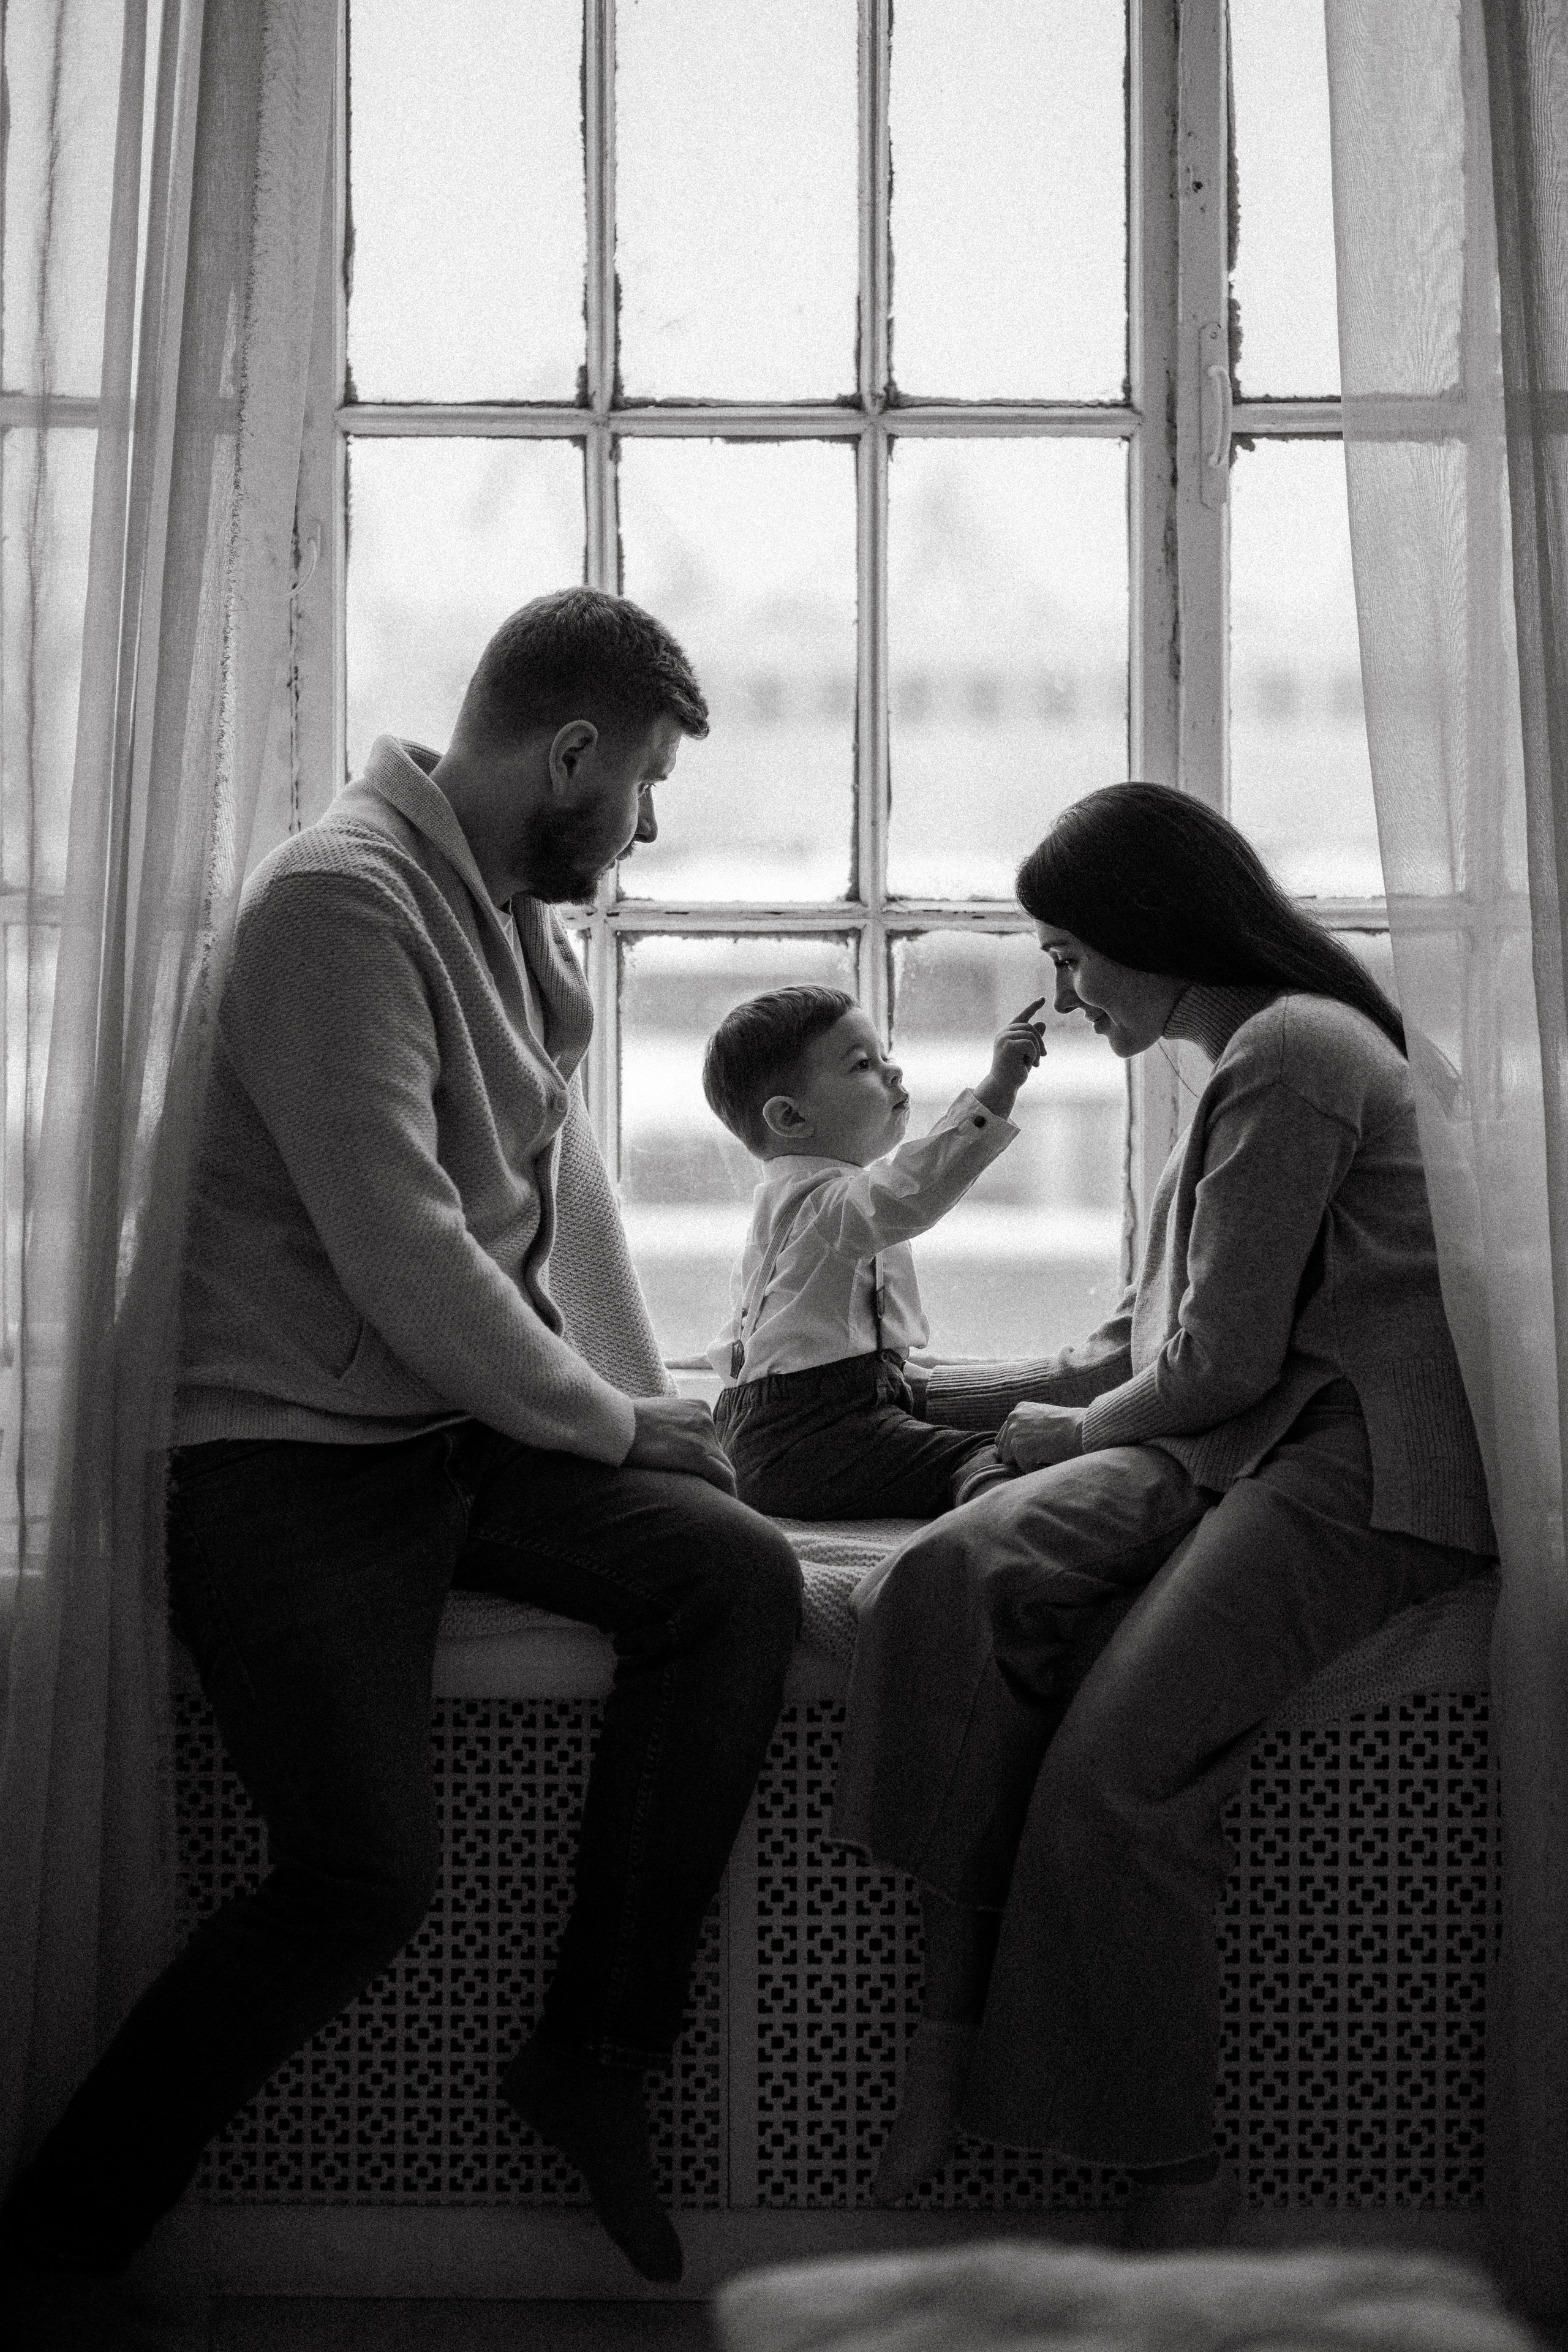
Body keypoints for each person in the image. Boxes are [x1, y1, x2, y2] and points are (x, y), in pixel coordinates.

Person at [0, 589, 804, 2293]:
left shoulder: (497, 909)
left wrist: (645, 1413)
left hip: (436, 1429)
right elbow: (407, 1246)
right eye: (645, 784)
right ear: (570, 750)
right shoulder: (337, 903)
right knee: (357, 1879)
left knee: (734, 1577)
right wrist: (609, 1426)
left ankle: (592, 2052)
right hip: (272, 1459)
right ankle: (52, 2249)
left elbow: (546, 1214)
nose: (646, 829)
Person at [829, 783, 1496, 2246]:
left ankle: (1175, 2175)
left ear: (1149, 927)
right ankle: (947, 2028)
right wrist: (924, 1392)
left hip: (1358, 1465)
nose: (1061, 997)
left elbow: (1212, 1364)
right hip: (1257, 1441)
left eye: (1071, 955)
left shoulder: (1292, 1051)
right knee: (950, 1582)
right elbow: (1153, 1342)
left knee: (1111, 1767)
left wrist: (1057, 1429)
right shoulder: (1247, 1066)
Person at [701, 986, 1047, 1518]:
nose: (894, 1073)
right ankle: (1000, 1526)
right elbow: (918, 1185)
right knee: (980, 1456)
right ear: (791, 1119)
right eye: (863, 1064)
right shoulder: (825, 1203)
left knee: (967, 1436)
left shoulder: (799, 1199)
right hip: (809, 1429)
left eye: (885, 1056)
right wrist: (998, 1089)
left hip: (792, 1423)